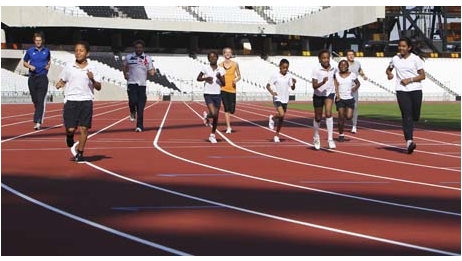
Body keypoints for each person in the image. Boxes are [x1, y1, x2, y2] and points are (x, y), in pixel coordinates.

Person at [56, 41, 102, 162]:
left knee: (84, 129)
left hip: (86, 100)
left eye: (81, 50)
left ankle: (80, 153)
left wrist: (92, 79)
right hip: (71, 100)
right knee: (70, 128)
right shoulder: (69, 66)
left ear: (87, 53)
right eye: (76, 50)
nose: (78, 53)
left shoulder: (93, 67)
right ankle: (69, 136)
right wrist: (60, 83)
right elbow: (63, 79)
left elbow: (98, 87)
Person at [386, 37, 426, 154]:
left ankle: (413, 121)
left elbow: (422, 76)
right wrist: (389, 75)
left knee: (415, 116)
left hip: (415, 89)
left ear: (409, 48)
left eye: (403, 46)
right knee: (406, 115)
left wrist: (410, 79)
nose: (401, 48)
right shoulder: (395, 59)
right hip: (401, 90)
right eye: (399, 46)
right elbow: (388, 70)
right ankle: (409, 141)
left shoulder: (416, 59)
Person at [122, 39, 155, 132]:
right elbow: (124, 66)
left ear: (142, 48)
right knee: (132, 101)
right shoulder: (128, 57)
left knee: (141, 107)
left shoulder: (147, 58)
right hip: (132, 83)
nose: (138, 49)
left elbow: (151, 69)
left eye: (140, 48)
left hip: (142, 85)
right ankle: (132, 111)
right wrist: (125, 74)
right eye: (137, 48)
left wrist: (152, 71)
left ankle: (139, 126)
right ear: (134, 48)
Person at [23, 32, 51, 130]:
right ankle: (38, 113)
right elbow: (24, 62)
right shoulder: (30, 51)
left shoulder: (47, 51)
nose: (38, 42)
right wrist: (30, 66)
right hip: (32, 78)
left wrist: (48, 67)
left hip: (42, 78)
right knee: (35, 100)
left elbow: (49, 60)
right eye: (36, 40)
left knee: (40, 100)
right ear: (34, 41)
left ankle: (37, 122)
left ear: (42, 41)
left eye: (40, 40)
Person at [197, 51, 226, 143]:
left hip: (217, 94)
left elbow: (224, 83)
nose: (212, 58)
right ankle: (207, 115)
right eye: (210, 57)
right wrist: (206, 78)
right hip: (208, 93)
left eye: (214, 57)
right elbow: (198, 78)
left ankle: (212, 135)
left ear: (217, 58)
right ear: (208, 59)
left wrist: (220, 77)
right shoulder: (205, 68)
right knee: (213, 113)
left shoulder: (221, 69)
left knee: (216, 116)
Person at [311, 50, 337, 150]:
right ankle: (316, 136)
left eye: (327, 58)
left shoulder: (334, 68)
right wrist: (323, 82)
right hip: (318, 94)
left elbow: (336, 78)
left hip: (329, 94)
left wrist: (338, 92)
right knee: (318, 117)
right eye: (323, 58)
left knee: (328, 113)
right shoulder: (316, 69)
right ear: (320, 59)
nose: (326, 60)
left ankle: (330, 139)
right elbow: (314, 86)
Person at [267, 59, 296, 142]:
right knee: (281, 114)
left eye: (287, 67)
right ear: (280, 66)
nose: (285, 69)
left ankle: (276, 135)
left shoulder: (289, 76)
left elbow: (292, 88)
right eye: (283, 67)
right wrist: (272, 93)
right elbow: (268, 85)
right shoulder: (275, 75)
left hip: (285, 99)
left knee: (281, 119)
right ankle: (272, 118)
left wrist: (294, 83)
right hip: (277, 98)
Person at [334, 60, 360, 142]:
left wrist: (354, 88)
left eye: (345, 65)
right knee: (341, 116)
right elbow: (335, 85)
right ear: (339, 67)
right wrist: (337, 94)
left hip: (349, 98)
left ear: (347, 66)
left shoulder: (352, 75)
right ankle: (341, 135)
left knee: (348, 117)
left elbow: (358, 83)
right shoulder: (336, 75)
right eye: (341, 65)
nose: (343, 66)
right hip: (340, 99)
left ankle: (345, 113)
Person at [344, 49, 368, 133]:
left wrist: (363, 75)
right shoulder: (344, 64)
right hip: (344, 89)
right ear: (346, 56)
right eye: (349, 54)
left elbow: (360, 70)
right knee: (344, 107)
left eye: (352, 54)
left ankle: (354, 126)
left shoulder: (357, 63)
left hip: (354, 88)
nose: (351, 56)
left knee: (355, 107)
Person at [219, 47, 241, 134]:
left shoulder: (235, 64)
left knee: (232, 110)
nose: (228, 54)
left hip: (232, 90)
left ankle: (229, 125)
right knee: (226, 109)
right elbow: (218, 76)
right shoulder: (220, 65)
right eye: (226, 52)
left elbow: (239, 76)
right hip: (223, 89)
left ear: (231, 54)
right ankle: (228, 127)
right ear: (223, 54)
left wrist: (236, 80)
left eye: (229, 52)